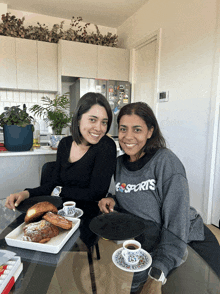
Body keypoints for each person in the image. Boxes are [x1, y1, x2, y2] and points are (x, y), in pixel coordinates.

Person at [98, 102, 220, 293]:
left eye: (137, 129)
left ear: (150, 131)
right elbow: (135, 195)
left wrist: (158, 272)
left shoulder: (165, 162)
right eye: (123, 129)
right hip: (150, 240)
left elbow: (176, 223)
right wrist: (113, 198)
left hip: (187, 242)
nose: (128, 136)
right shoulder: (119, 164)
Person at [5, 92, 117, 218]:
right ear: (78, 119)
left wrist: (59, 190)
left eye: (104, 122)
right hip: (60, 213)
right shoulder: (65, 144)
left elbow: (95, 194)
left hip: (89, 217)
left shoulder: (106, 146)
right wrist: (25, 194)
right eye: (92, 120)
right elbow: (53, 183)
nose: (99, 128)